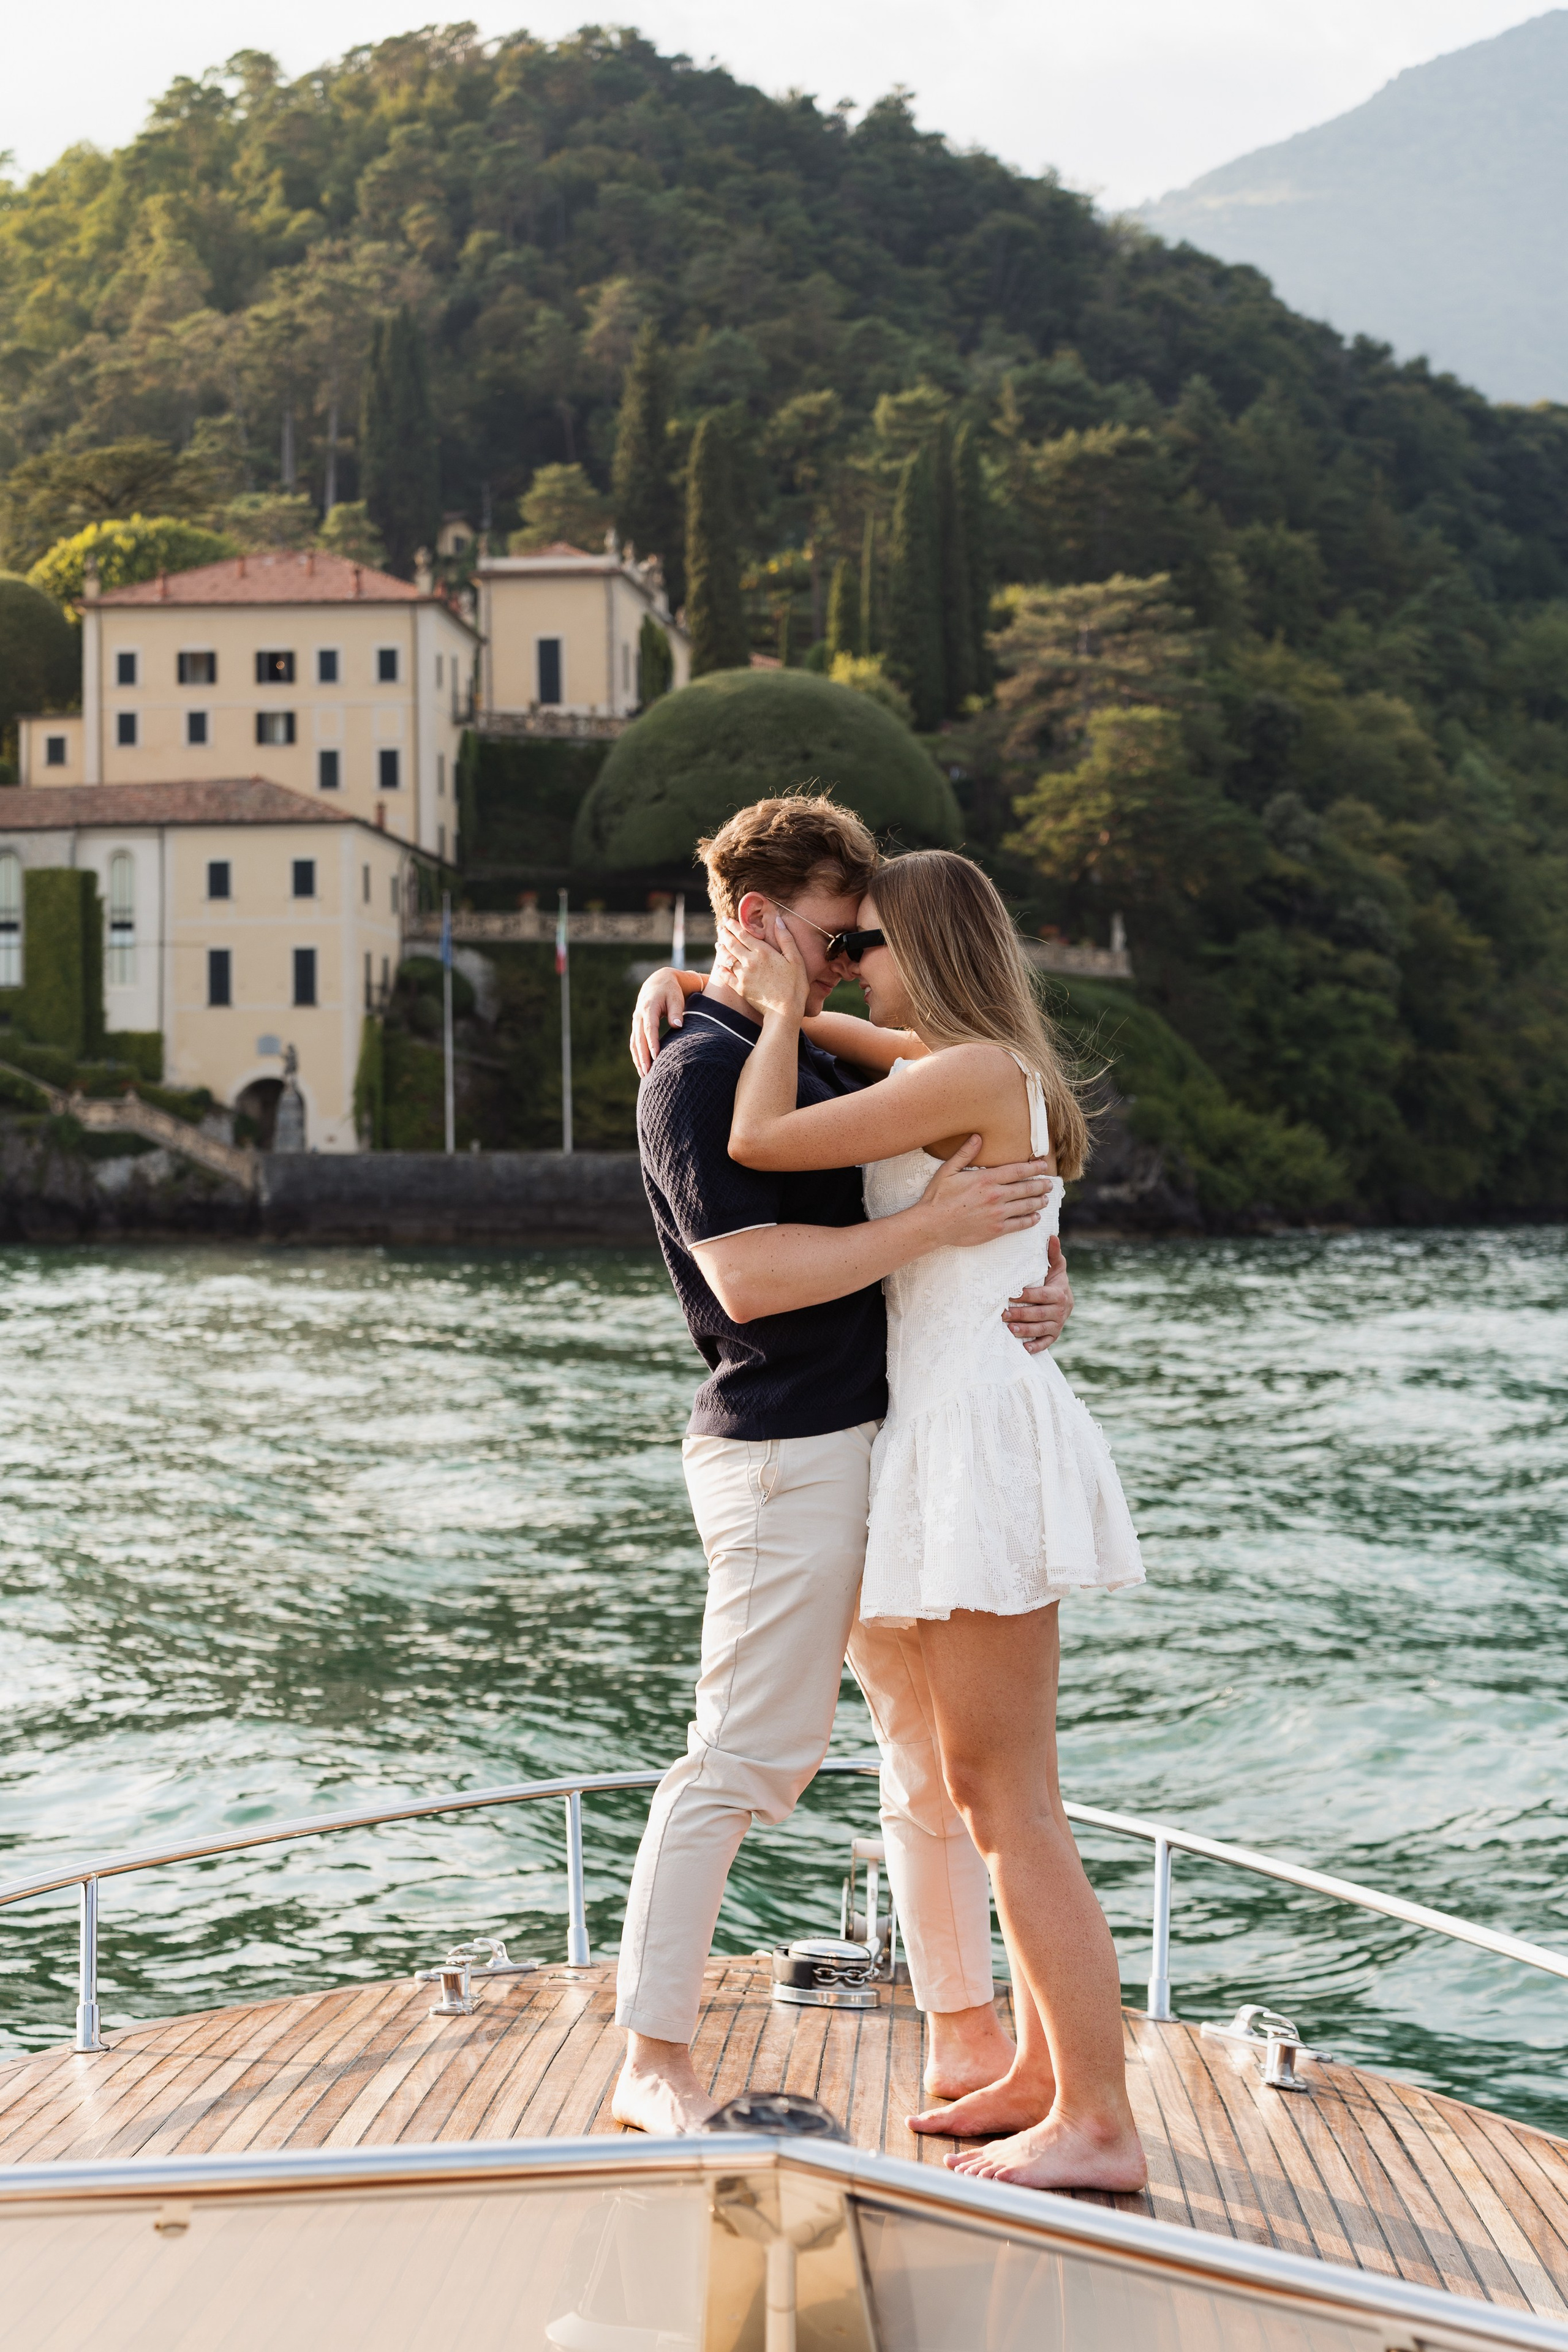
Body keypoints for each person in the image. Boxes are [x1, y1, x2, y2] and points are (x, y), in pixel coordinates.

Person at [612, 796, 1076, 2138]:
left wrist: (1026, 1271)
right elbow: (749, 1280)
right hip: (782, 1449)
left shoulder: (788, 1040)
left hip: (887, 1440)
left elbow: (966, 1132)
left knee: (924, 1759)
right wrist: (932, 1227)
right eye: (830, 936)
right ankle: (651, 2054)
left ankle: (964, 2031)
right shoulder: (698, 1072)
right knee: (744, 1758)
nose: (850, 959)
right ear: (758, 917)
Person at [716, 846, 1147, 2195]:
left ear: (925, 944)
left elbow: (760, 1140)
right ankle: (1038, 2072)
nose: (850, 965)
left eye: (867, 944)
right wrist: (705, 984)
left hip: (972, 1437)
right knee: (990, 1790)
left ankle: (1098, 2123)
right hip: (961, 1426)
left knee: (1010, 1803)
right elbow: (865, 1038)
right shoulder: (961, 1062)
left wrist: (777, 1007)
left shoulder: (961, 1076)